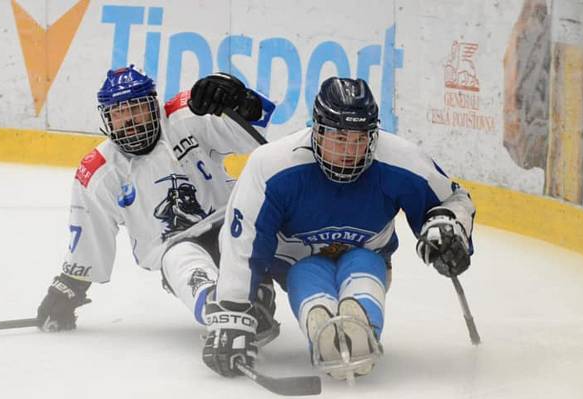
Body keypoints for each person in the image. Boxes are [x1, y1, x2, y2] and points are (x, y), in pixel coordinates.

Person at [202, 77, 476, 381]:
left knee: (364, 263)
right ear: (316, 130)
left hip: (367, 254)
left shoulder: (400, 160)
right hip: (295, 264)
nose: (350, 150)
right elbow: (244, 242)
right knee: (305, 273)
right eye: (340, 137)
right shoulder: (272, 166)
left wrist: (448, 227)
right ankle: (322, 330)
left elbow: (453, 199)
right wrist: (233, 313)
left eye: (360, 139)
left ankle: (362, 328)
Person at [36, 65, 279, 343]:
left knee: (252, 257)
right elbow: (90, 235)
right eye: (119, 113)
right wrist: (70, 287)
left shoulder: (186, 115)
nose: (129, 120)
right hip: (175, 247)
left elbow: (250, 133)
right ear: (107, 120)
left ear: (154, 105)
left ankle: (258, 294)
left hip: (229, 223)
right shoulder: (100, 172)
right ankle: (219, 312)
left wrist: (241, 101)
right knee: (180, 261)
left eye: (136, 108)